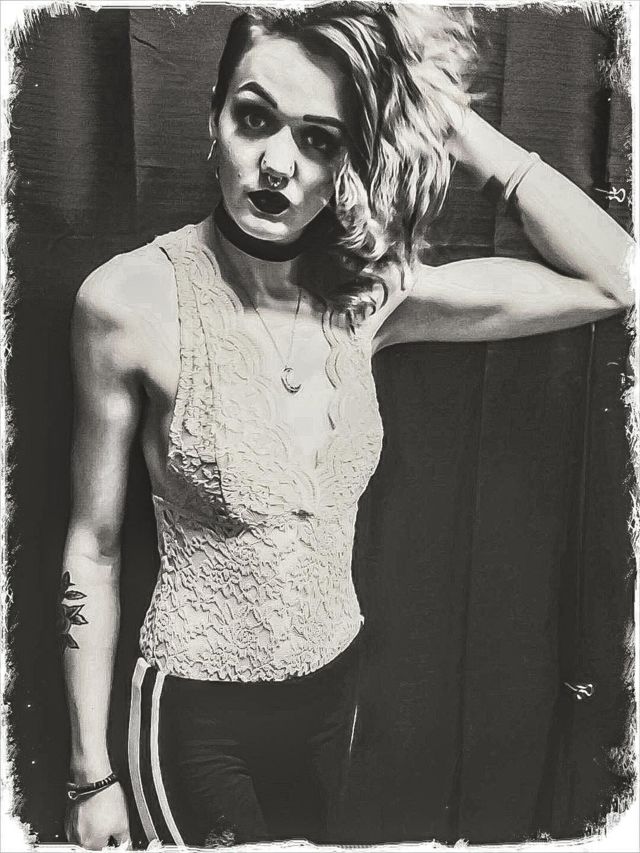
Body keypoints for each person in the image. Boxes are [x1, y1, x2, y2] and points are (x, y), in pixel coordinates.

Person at [60, 3, 634, 849]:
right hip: (194, 714)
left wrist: (453, 127)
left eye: (319, 139)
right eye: (254, 118)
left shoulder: (371, 297)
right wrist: (90, 774)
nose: (277, 164)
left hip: (334, 695)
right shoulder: (126, 301)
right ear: (213, 118)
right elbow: (94, 546)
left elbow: (616, 278)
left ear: (351, 161)